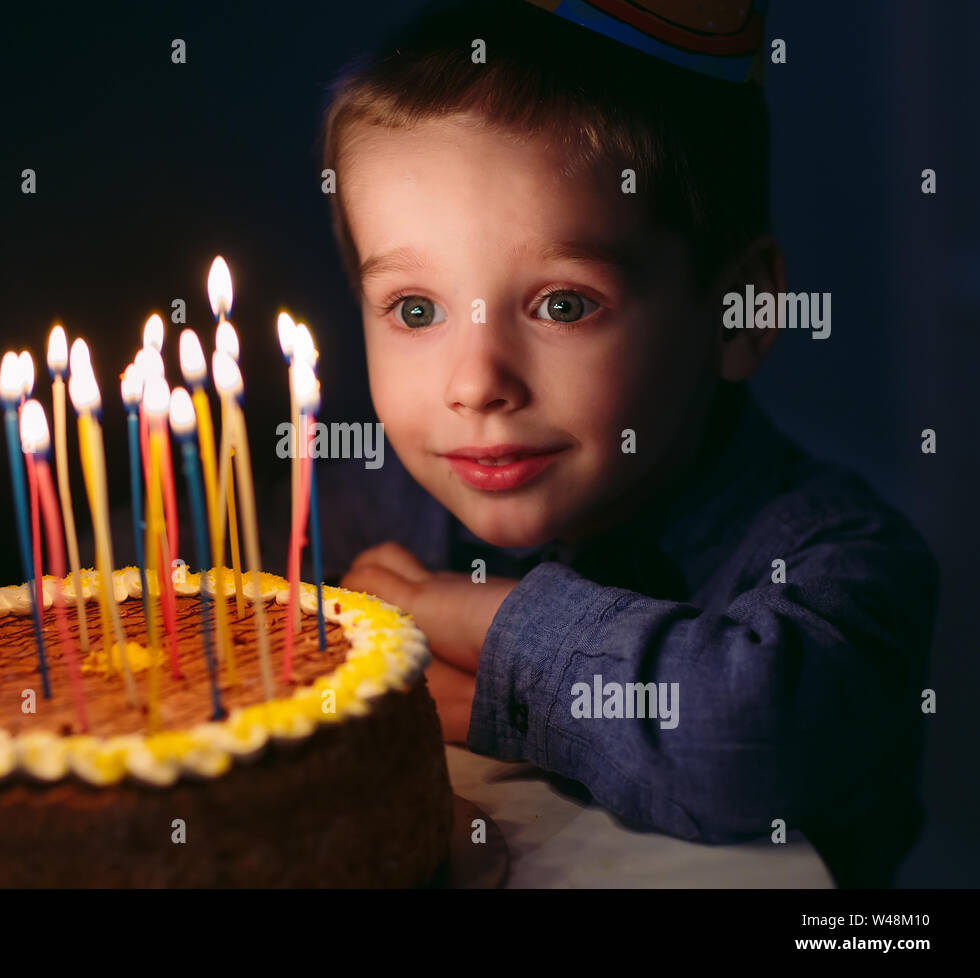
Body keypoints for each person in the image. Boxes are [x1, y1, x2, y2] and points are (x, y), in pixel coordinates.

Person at [297, 0, 938, 888]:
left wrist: (477, 630)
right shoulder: (366, 504)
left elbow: (742, 739)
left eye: (562, 305)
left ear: (738, 312)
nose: (475, 383)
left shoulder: (844, 560)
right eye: (415, 310)